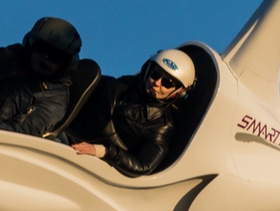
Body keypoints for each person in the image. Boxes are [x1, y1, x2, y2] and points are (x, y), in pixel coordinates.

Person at [65, 48, 195, 177]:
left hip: (92, 165)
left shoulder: (161, 126)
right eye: (155, 74)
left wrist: (103, 151)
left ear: (179, 93)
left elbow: (143, 165)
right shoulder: (126, 84)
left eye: (167, 83)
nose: (156, 83)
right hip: (69, 135)